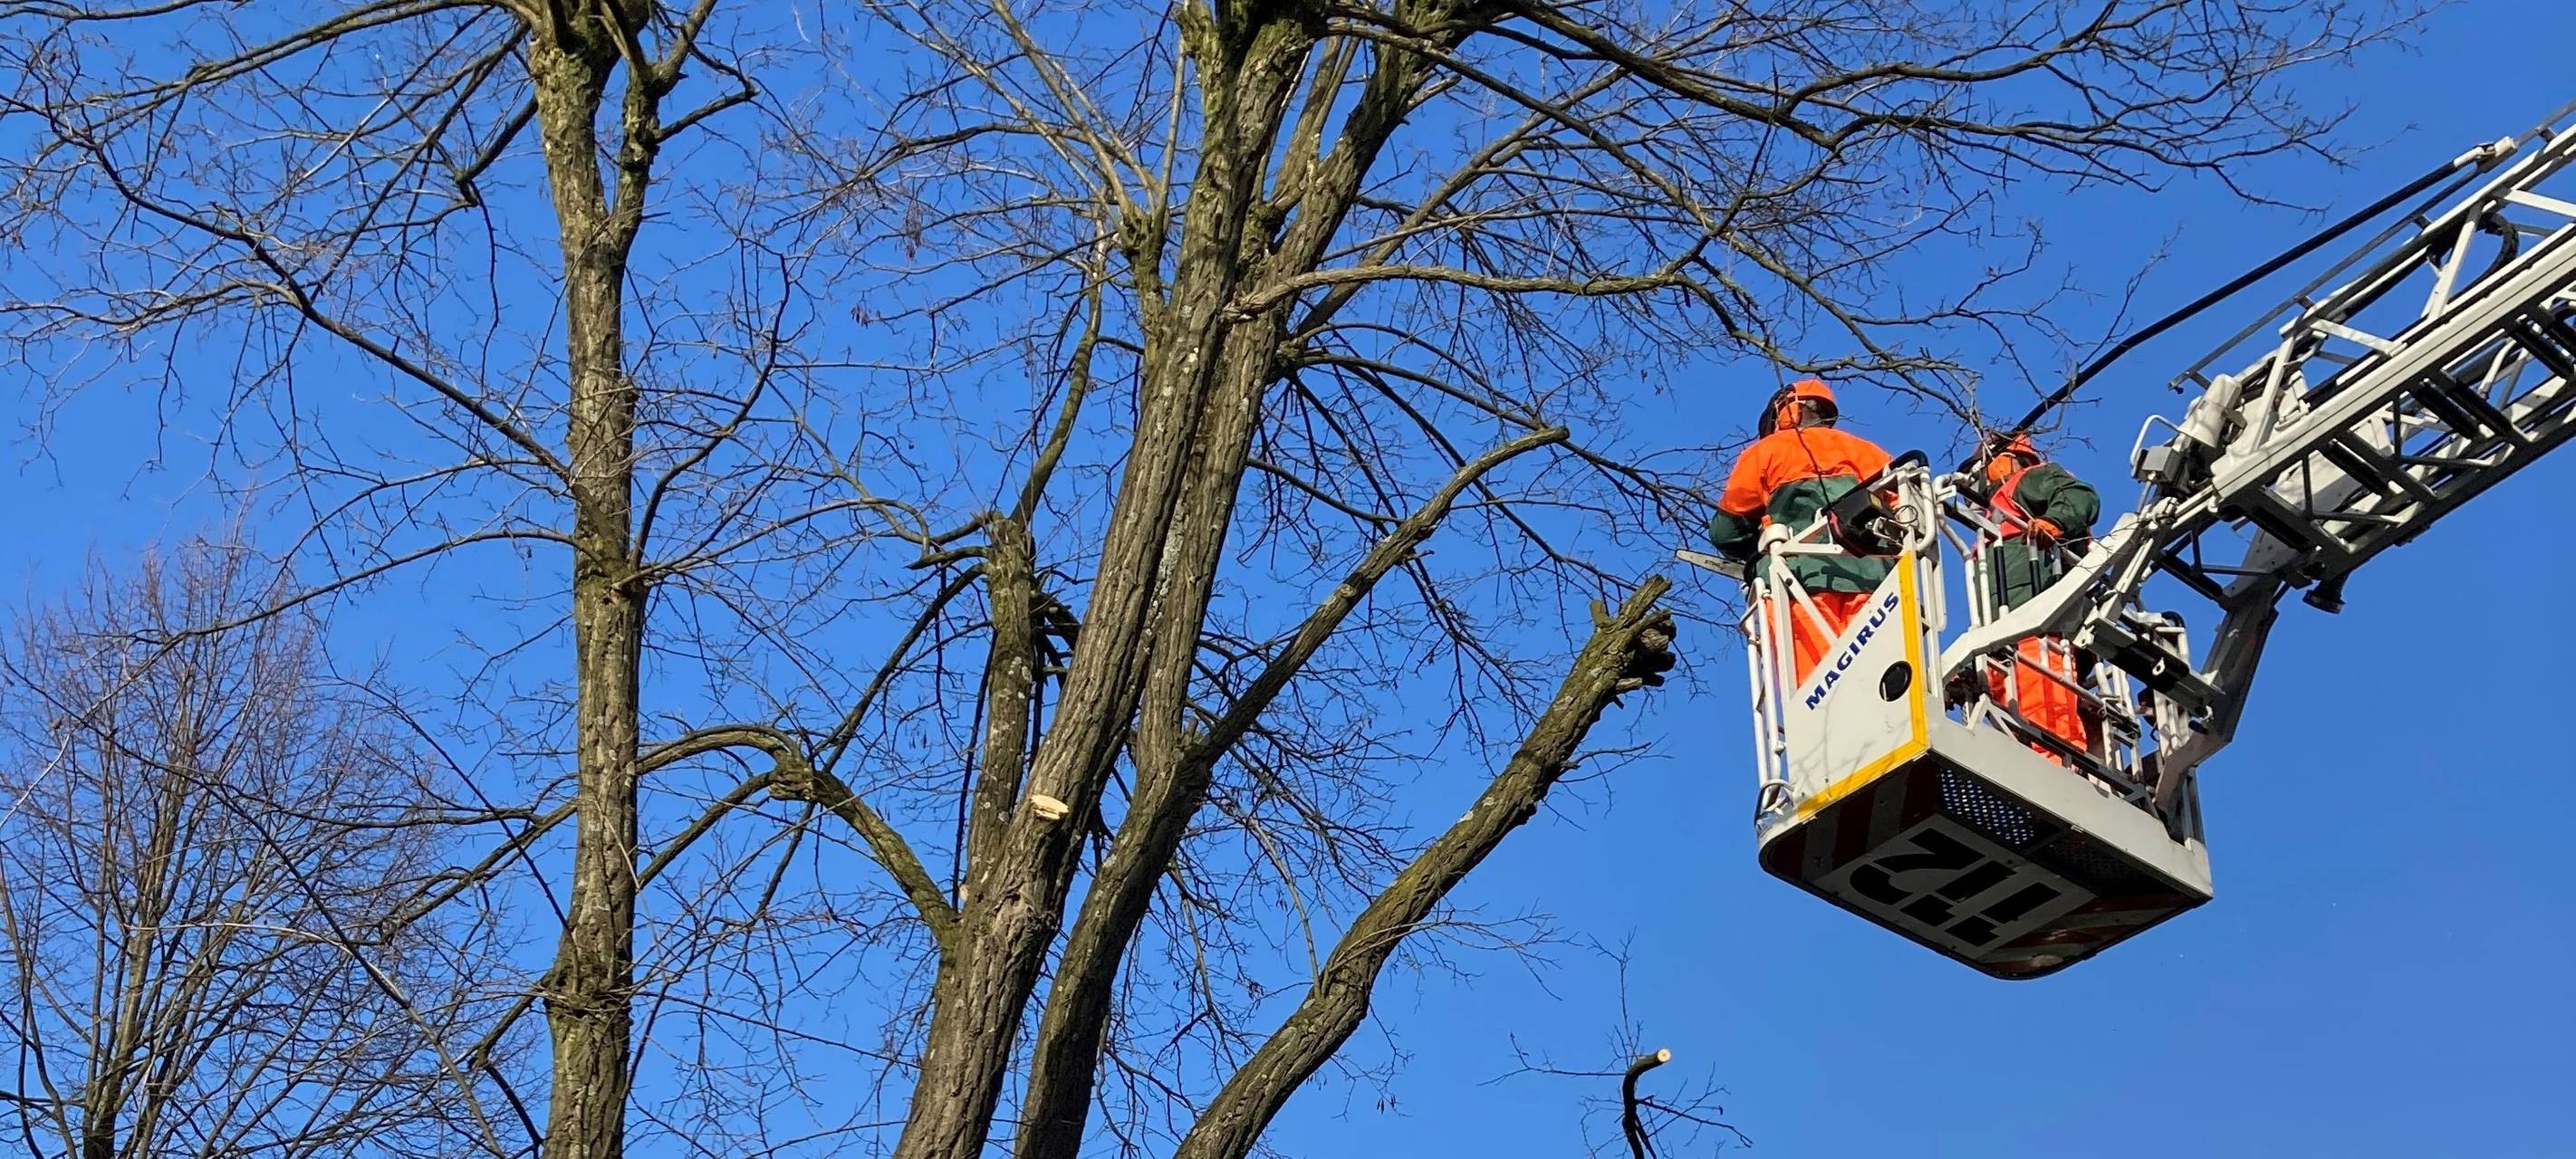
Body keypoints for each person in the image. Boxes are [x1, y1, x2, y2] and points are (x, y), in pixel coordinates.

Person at [1708, 378, 1895, 684]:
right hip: (1877, 584)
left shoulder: (1767, 451)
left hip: (1799, 582)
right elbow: (1907, 512)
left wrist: (1755, 545)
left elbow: (1726, 531)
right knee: (1879, 682)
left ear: (1786, 410)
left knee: (1820, 689)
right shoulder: (1871, 453)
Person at [1971, 432, 2102, 762]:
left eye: (1983, 463)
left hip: (2037, 620)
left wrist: (2054, 522)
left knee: (2046, 708)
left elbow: (2079, 496)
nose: (1978, 474)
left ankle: (2060, 773)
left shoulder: (2027, 480)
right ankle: (2034, 770)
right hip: (2006, 632)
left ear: (2008, 457)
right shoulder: (1993, 515)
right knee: (2015, 711)